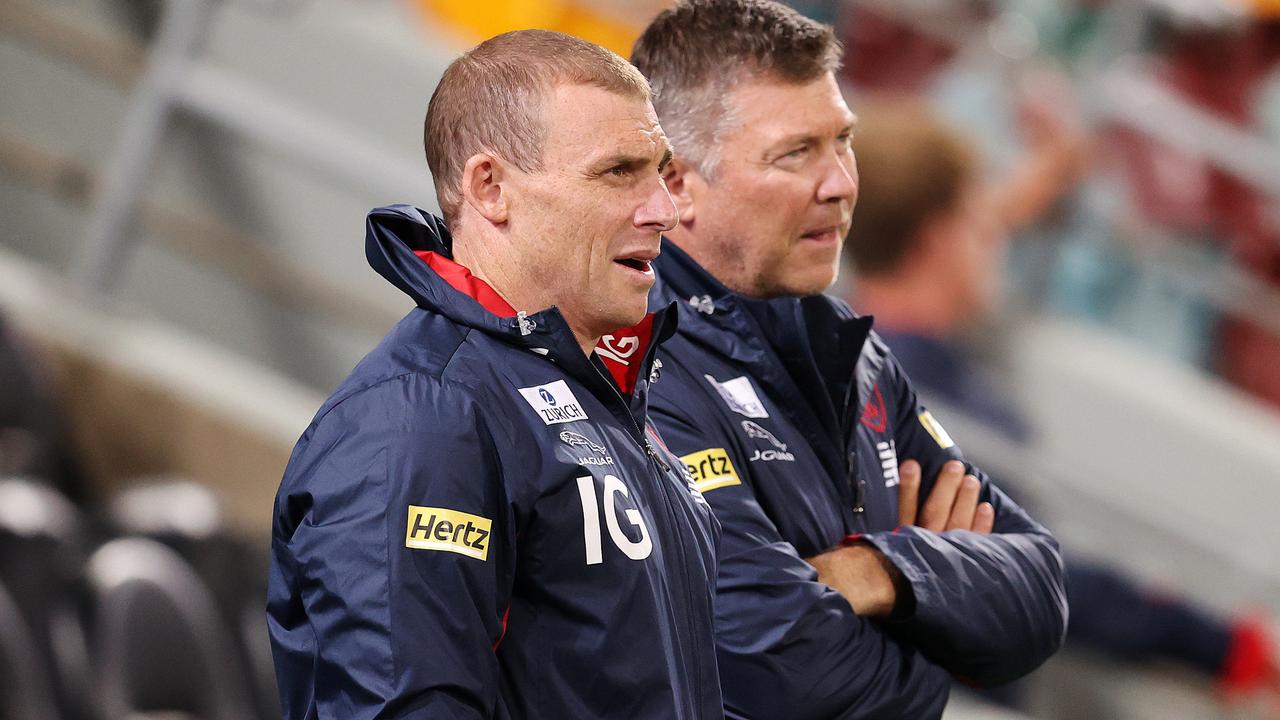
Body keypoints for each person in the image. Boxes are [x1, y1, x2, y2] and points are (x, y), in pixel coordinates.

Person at [267, 30, 722, 719]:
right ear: (491, 188)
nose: (663, 207)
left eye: (660, 171)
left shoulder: (599, 396)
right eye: (619, 172)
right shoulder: (422, 418)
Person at [630, 2, 1068, 717]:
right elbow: (777, 667)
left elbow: (1039, 591)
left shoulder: (851, 353)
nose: (839, 183)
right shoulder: (632, 368)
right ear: (676, 185)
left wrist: (884, 567)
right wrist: (934, 651)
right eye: (796, 153)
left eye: (844, 142)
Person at [845, 99, 1280, 708]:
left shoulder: (868, 362)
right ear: (941, 238)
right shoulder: (921, 395)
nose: (998, 231)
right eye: (980, 215)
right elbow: (1035, 574)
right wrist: (1218, 645)